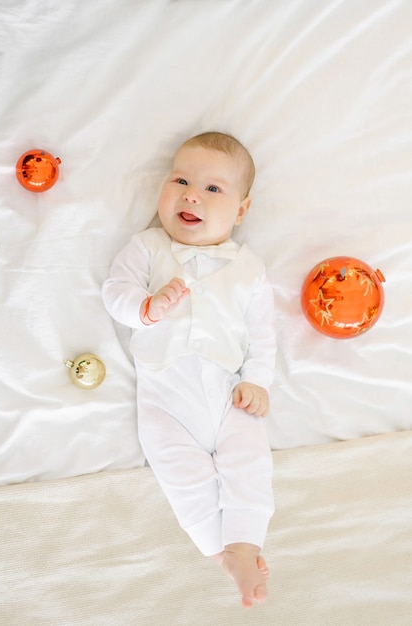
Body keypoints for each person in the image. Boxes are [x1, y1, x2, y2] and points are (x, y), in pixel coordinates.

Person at [102, 131, 276, 609]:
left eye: (213, 189)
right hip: (164, 395)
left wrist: (258, 381)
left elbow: (263, 334)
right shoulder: (147, 246)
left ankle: (245, 544)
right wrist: (146, 307)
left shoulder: (250, 268)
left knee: (250, 463)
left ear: (241, 210)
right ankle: (216, 549)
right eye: (180, 179)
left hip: (229, 392)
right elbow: (115, 291)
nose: (191, 194)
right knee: (180, 473)